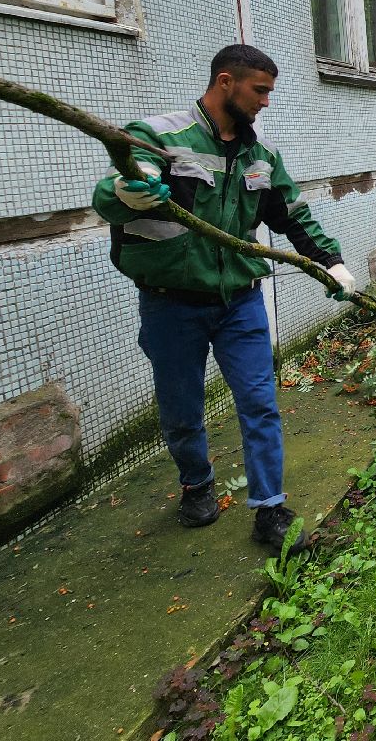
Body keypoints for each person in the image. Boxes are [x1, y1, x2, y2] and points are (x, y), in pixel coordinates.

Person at [92, 45, 356, 556]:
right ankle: (196, 484)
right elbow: (111, 191)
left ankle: (270, 509)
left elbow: (292, 216)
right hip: (171, 304)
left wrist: (332, 261)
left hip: (240, 301)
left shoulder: (261, 158)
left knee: (260, 403)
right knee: (181, 408)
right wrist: (128, 192)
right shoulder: (158, 138)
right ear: (225, 81)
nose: (266, 101)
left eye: (270, 91)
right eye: (259, 90)